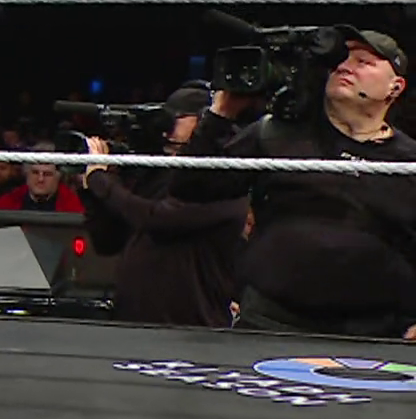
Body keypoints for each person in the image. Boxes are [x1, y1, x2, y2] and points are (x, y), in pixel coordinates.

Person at [171, 28, 416, 337]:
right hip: (272, 320)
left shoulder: (409, 161)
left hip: (375, 330)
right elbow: (191, 186)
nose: (345, 66)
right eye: (340, 59)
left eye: (363, 61)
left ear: (395, 87)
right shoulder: (276, 134)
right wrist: (221, 114)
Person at [78, 83, 248, 328]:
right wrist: (91, 191)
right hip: (134, 323)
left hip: (191, 327)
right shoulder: (155, 174)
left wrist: (100, 180)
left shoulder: (221, 178)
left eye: (174, 119)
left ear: (203, 121)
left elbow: (158, 220)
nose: (166, 130)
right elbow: (107, 242)